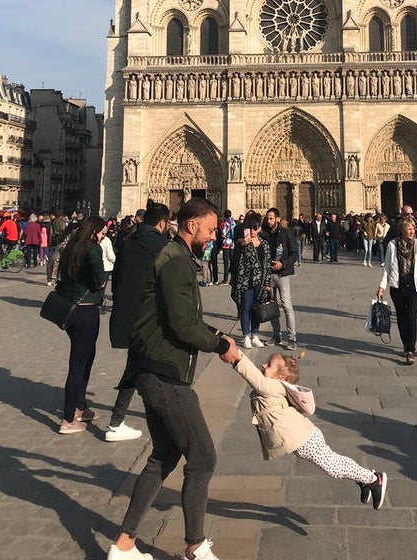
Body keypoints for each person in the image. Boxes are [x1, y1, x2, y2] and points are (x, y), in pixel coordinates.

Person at [108, 198, 239, 560]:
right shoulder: (177, 261)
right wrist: (218, 345)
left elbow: (177, 316)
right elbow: (182, 325)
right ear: (192, 225)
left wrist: (215, 334)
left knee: (164, 455)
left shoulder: (173, 256)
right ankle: (195, 546)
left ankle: (124, 546)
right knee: (203, 457)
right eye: (211, 230)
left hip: (152, 366)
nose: (214, 236)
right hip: (164, 371)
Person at [230, 351, 388, 508]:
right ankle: (365, 479)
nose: (264, 365)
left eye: (269, 365)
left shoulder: (272, 385)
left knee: (333, 467)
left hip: (304, 438)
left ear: (281, 378)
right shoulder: (273, 385)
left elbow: (254, 377)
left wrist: (237, 356)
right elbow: (258, 378)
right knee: (333, 461)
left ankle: (373, 480)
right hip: (303, 436)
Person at [107, 202, 170, 442]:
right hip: (151, 317)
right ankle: (118, 422)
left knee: (138, 366)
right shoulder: (163, 246)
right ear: (163, 223)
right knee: (152, 366)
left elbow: (117, 280)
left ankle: (119, 420)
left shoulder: (127, 243)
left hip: (128, 315)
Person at [55, 216, 109, 434]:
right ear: (94, 231)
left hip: (71, 310)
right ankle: (68, 418)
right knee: (79, 363)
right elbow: (101, 279)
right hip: (86, 310)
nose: (104, 235)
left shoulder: (71, 249)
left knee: (85, 358)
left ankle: (80, 406)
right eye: (102, 231)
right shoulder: (93, 249)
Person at [377, 218, 417, 365]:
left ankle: (410, 348)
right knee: (401, 317)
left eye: (413, 228)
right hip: (397, 285)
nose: (412, 231)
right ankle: (406, 344)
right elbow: (387, 267)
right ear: (402, 230)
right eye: (409, 228)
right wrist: (382, 286)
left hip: (414, 285)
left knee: (411, 316)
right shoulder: (393, 245)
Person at [229, 213, 272, 349]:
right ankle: (246, 336)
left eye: (255, 228)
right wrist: (242, 243)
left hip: (260, 280)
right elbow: (235, 259)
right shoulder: (243, 242)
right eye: (250, 228)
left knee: (256, 308)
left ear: (259, 228)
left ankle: (255, 335)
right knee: (245, 308)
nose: (252, 231)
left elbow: (267, 263)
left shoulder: (264, 244)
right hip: (246, 280)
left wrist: (267, 283)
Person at [264, 208, 299, 350]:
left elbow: (294, 254)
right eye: (267, 218)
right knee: (272, 307)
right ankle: (276, 335)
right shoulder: (264, 234)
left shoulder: (286, 234)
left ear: (277, 219)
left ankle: (292, 338)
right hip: (269, 275)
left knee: (286, 306)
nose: (268, 221)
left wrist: (282, 264)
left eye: (271, 218)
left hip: (282, 274)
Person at [219, 209, 236, 284]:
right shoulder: (233, 222)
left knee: (226, 262)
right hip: (232, 244)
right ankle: (233, 278)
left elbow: (224, 234)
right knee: (232, 262)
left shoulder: (225, 223)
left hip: (226, 244)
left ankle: (225, 279)